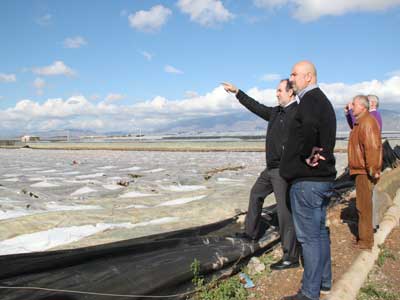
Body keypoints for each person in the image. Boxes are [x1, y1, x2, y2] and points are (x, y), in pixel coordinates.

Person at [222, 79, 300, 270]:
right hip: (270, 169)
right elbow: (255, 107)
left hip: (284, 171)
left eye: (280, 90)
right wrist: (238, 92)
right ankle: (251, 233)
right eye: (277, 91)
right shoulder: (275, 112)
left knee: (284, 212)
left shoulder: (299, 113)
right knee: (256, 193)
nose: (277, 93)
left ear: (290, 92)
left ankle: (291, 256)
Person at [280, 61, 337, 300]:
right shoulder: (318, 100)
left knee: (309, 238)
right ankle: (324, 282)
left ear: (309, 77)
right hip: (320, 180)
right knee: (320, 233)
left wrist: (304, 154)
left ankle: (309, 293)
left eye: (295, 74)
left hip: (308, 181)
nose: (291, 78)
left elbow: (310, 128)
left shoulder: (311, 100)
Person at [348, 95, 382, 250]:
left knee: (364, 207)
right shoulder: (360, 122)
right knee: (363, 206)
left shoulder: (367, 122)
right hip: (361, 170)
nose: (351, 106)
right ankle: (364, 239)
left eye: (353, 104)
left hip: (364, 171)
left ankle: (366, 241)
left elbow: (372, 147)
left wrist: (373, 170)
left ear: (362, 106)